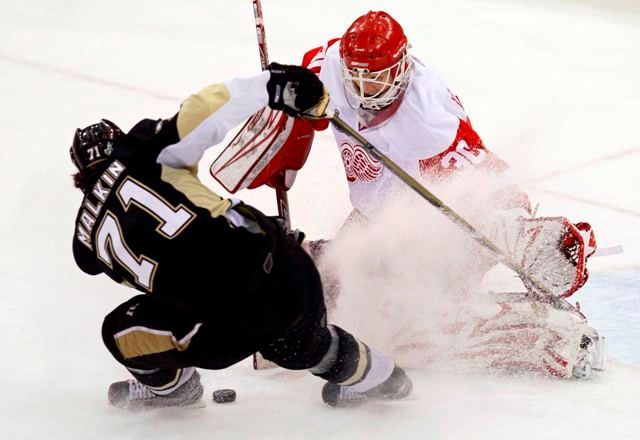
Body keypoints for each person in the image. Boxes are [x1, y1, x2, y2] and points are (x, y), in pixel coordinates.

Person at [70, 62, 413, 410]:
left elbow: (147, 271)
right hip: (286, 265)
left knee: (118, 331)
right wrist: (274, 86)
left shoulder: (85, 241)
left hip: (226, 328)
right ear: (120, 141)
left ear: (80, 177)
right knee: (303, 343)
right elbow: (201, 112)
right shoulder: (142, 151)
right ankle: (383, 378)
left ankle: (173, 389)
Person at [292, 11, 604, 378]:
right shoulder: (323, 67)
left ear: (401, 68)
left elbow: (480, 179)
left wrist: (514, 231)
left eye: (376, 79)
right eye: (357, 77)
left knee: (390, 323)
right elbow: (295, 93)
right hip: (379, 219)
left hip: (440, 226)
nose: (365, 89)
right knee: (328, 293)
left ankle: (539, 329)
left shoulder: (425, 119)